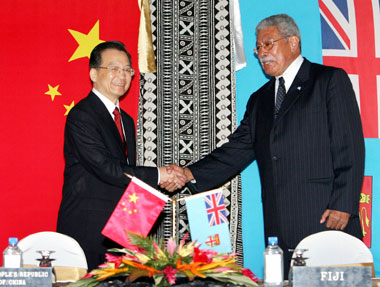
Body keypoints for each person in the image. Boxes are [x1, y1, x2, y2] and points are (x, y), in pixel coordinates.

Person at [179, 14, 365, 277]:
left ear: (293, 42)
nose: (261, 53)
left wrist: (343, 204)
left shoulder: (328, 81)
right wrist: (190, 173)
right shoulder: (260, 100)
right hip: (279, 226)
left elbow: (350, 147)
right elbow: (237, 149)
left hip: (327, 217)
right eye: (258, 48)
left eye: (268, 44)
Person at [57, 41, 185, 270]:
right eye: (114, 68)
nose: (122, 76)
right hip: (88, 228)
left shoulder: (125, 119)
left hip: (123, 224)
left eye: (127, 70)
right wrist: (159, 174)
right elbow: (107, 168)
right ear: (93, 73)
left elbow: (126, 175)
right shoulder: (82, 116)